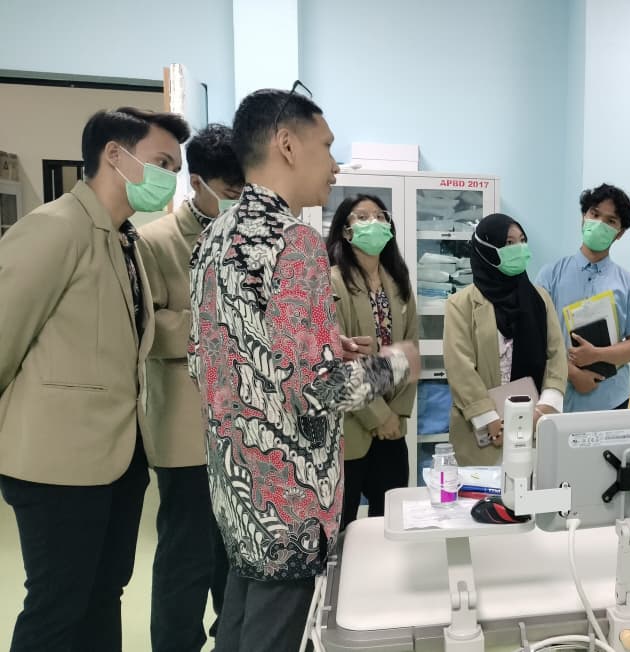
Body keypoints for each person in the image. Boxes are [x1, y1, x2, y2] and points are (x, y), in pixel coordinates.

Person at [187, 86, 420, 652]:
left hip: (234, 480)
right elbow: (318, 390)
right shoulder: (296, 242)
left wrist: (326, 343)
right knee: (277, 633)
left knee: (238, 622)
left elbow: (210, 355)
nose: (335, 165)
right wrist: (397, 362)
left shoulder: (214, 235)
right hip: (288, 495)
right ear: (287, 145)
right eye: (328, 146)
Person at [0, 107, 189, 651]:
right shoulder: (55, 228)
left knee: (105, 594)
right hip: (56, 465)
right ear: (114, 154)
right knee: (58, 607)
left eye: (174, 169)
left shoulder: (124, 240)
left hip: (118, 458)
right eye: (161, 163)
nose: (168, 179)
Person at [136, 122, 243, 652]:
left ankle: (232, 637)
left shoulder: (245, 239)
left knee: (234, 552)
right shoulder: (154, 242)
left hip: (241, 426)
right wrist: (219, 326)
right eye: (229, 192)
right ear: (196, 182)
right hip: (185, 428)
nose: (238, 201)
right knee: (186, 554)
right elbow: (147, 328)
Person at [444, 213, 568, 466]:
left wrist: (544, 408)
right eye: (509, 243)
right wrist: (489, 418)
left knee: (531, 486)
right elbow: (460, 367)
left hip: (534, 425)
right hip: (482, 433)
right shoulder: (461, 304)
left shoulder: (539, 299)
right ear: (487, 250)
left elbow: (556, 355)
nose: (519, 248)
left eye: (522, 240)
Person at [326, 194, 418, 527]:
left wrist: (396, 415)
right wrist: (379, 416)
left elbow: (410, 351)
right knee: (342, 527)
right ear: (346, 230)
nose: (374, 223)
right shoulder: (332, 281)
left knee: (392, 523)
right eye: (362, 217)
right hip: (350, 426)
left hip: (393, 428)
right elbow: (337, 363)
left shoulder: (398, 282)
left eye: (380, 216)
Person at [536, 183, 630, 412]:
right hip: (558, 398)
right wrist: (573, 373)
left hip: (611, 400)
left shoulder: (629, 284)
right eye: (594, 214)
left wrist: (596, 355)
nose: (599, 223)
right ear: (584, 216)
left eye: (610, 221)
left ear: (620, 233)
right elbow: (536, 336)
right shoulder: (550, 275)